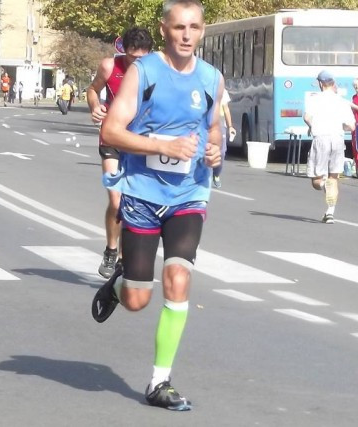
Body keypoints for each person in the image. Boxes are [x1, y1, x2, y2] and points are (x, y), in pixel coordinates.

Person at [91, 0, 223, 411]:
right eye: (179, 27)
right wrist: (162, 146)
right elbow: (112, 130)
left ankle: (159, 382)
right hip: (144, 194)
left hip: (189, 194)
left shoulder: (211, 78)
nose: (187, 35)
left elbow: (213, 130)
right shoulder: (143, 72)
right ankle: (119, 284)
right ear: (164, 29)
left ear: (202, 31)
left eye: (194, 27)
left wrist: (215, 151)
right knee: (137, 300)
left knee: (178, 278)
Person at [87, 27, 153, 279]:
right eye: (132, 57)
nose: (137, 62)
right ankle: (111, 250)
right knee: (116, 201)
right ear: (124, 50)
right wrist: (95, 106)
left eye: (142, 58)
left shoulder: (156, 70)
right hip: (112, 137)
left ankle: (124, 260)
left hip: (139, 141)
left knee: (133, 203)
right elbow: (92, 90)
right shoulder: (109, 66)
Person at [304, 70, 355, 224]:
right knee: (334, 178)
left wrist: (312, 126)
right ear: (333, 84)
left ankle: (323, 185)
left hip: (321, 139)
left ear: (320, 84)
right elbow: (351, 126)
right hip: (338, 139)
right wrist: (340, 127)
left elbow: (307, 117)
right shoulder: (342, 101)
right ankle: (330, 213)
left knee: (316, 179)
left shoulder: (315, 99)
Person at [212, 88, 235, 188]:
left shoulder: (222, 90)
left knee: (221, 152)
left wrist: (230, 127)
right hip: (205, 123)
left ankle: (216, 174)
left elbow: (226, 109)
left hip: (220, 123)